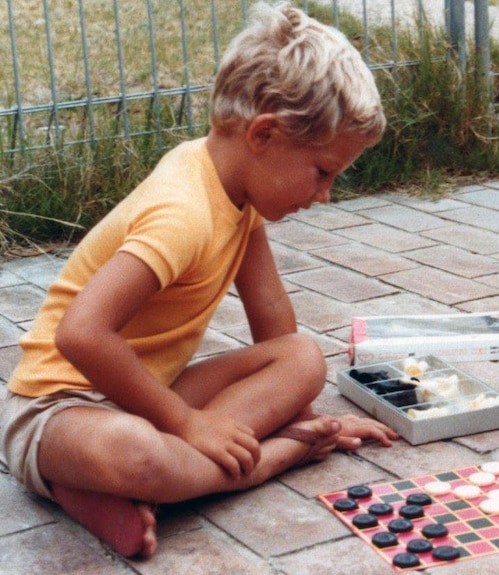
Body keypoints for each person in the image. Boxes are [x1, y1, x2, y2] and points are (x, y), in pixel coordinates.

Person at [0, 3, 398, 558]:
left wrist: (304, 412)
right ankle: (270, 459)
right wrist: (189, 423)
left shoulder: (237, 189)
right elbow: (80, 336)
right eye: (323, 171)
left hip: (145, 393)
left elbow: (272, 317)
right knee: (137, 453)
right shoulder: (183, 210)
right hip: (56, 409)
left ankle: (118, 488)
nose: (324, 194)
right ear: (264, 133)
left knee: (302, 357)